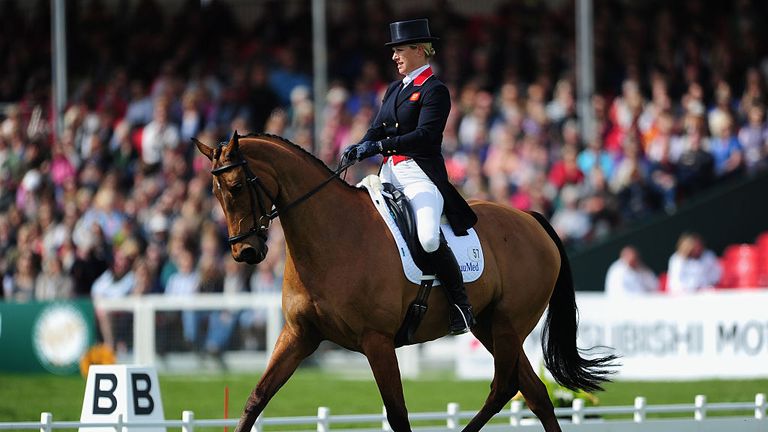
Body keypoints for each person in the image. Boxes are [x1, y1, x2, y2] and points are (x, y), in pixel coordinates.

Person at [342, 19, 477, 335]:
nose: (394, 57)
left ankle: (461, 304)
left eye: (399, 50)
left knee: (429, 236)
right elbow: (378, 126)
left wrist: (379, 145)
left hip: (419, 175)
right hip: (387, 174)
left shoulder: (435, 90)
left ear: (419, 50)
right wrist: (361, 145)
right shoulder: (394, 88)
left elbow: (426, 136)